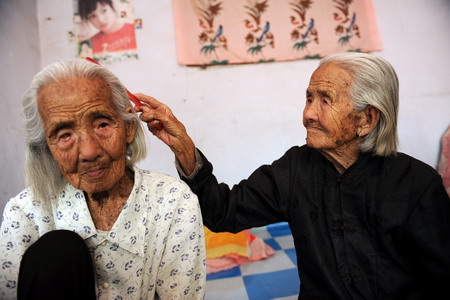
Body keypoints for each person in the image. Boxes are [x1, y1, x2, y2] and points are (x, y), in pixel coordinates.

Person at [136, 52, 450, 299]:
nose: (308, 114)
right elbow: (223, 212)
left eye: (325, 100)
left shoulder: (417, 186)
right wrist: (183, 146)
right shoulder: (297, 168)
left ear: (367, 119)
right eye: (309, 98)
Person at [0, 59, 206, 299]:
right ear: (47, 146)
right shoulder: (25, 213)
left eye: (102, 124)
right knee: (56, 250)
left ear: (128, 128)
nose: (89, 151)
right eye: (65, 135)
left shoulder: (173, 201)